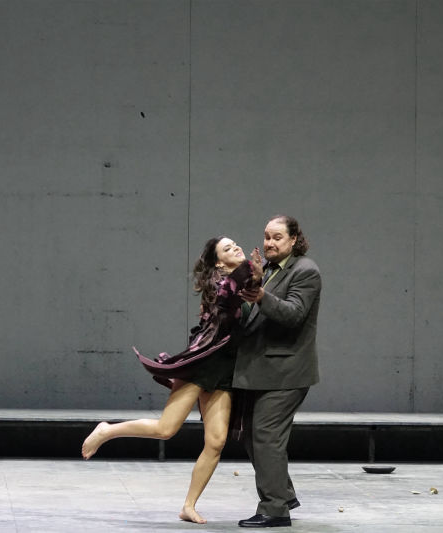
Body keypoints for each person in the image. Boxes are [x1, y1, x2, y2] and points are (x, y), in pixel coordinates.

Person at [82, 236, 261, 525]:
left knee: (216, 442)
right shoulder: (220, 284)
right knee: (166, 429)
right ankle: (107, 430)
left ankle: (188, 506)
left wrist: (255, 275)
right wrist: (254, 269)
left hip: (225, 371)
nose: (236, 248)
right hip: (202, 365)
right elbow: (230, 292)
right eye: (228, 249)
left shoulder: (242, 284)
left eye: (235, 244)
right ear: (218, 263)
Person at [234, 215, 322, 528]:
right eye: (267, 236)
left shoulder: (305, 270)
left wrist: (261, 296)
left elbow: (294, 314)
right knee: (251, 436)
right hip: (263, 371)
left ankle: (275, 510)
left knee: (266, 436)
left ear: (294, 239)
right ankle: (282, 494)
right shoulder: (268, 270)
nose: (269, 243)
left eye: (277, 237)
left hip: (286, 372)